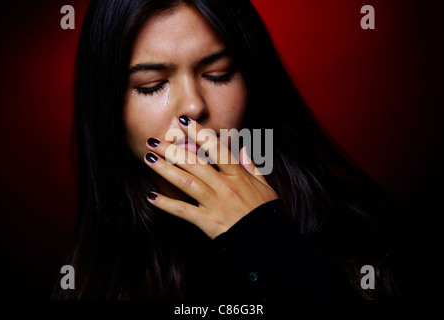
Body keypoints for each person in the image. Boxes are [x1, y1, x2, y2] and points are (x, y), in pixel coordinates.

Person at [54, 0, 404, 300]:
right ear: (108, 108)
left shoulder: (351, 228)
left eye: (218, 74)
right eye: (152, 85)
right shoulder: (91, 273)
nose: (192, 106)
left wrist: (272, 249)